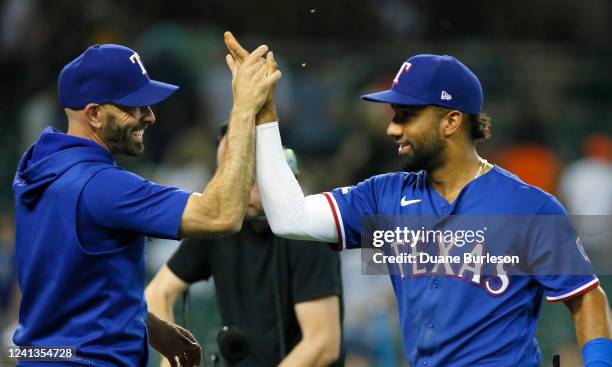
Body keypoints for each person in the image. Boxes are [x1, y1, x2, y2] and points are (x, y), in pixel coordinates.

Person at [223, 32, 612, 366]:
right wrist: (264, 116)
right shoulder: (382, 196)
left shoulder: (528, 208)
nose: (392, 128)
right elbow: (290, 218)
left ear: (451, 121)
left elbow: (586, 297)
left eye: (406, 114)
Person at [12, 42, 280, 366]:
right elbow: (222, 214)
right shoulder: (101, 186)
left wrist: (147, 325)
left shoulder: (39, 166)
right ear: (94, 114)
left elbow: (76, 282)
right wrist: (244, 110)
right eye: (135, 106)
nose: (150, 116)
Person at [146, 124, 343, 367]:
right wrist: (172, 360)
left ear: (283, 171)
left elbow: (322, 345)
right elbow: (157, 293)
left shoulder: (310, 230)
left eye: (251, 178)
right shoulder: (219, 227)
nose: (241, 190)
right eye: (233, 179)